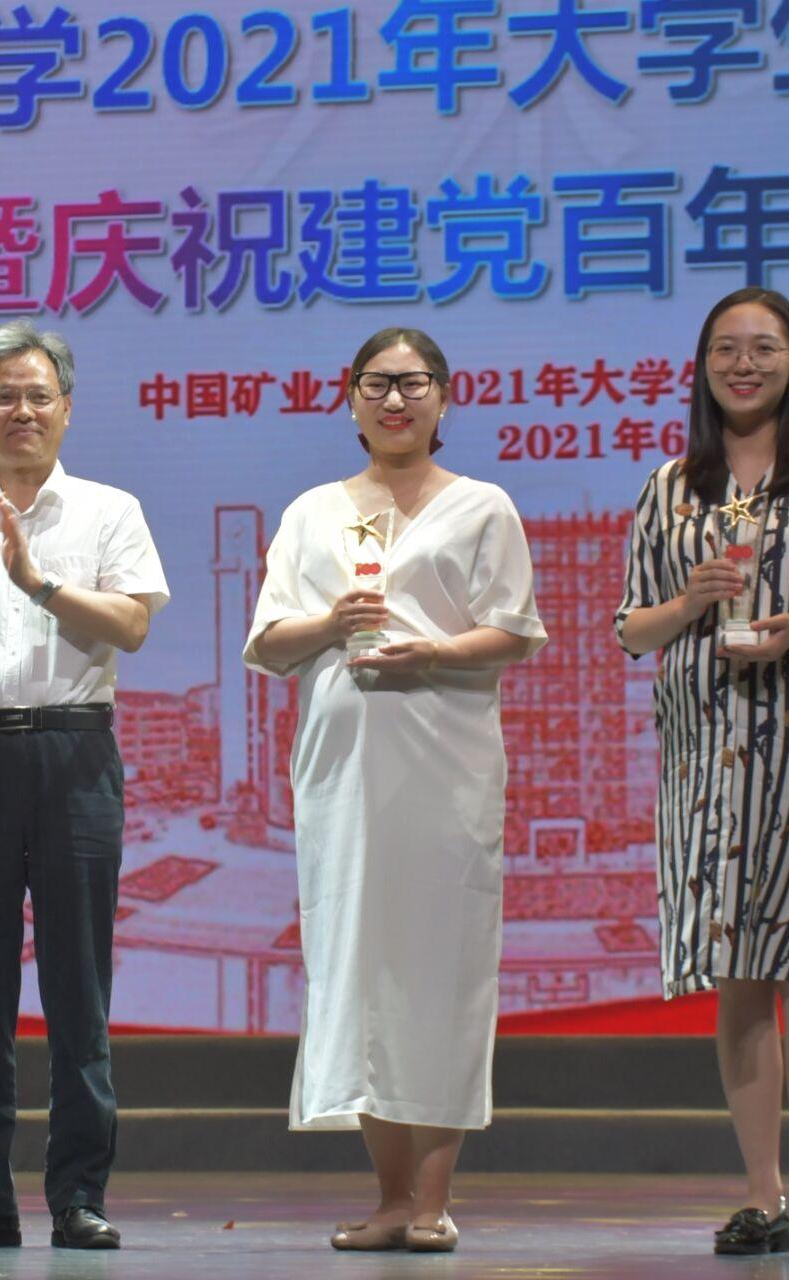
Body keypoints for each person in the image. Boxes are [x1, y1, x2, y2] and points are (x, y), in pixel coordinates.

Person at [243, 327, 547, 1254]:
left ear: (445, 398)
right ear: (350, 400)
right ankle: (387, 1196)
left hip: (446, 767)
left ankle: (432, 1201)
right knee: (361, 973)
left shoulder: (484, 506)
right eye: (376, 383)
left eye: (414, 383)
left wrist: (437, 653)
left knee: (442, 971)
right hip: (342, 773)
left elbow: (514, 630)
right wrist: (333, 623)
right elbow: (269, 642)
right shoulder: (312, 513)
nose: (395, 400)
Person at [614, 287, 789, 1260]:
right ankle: (762, 1193)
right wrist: (693, 599)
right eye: (726, 348)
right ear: (702, 367)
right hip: (704, 760)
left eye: (763, 348)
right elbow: (631, 628)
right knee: (736, 974)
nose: (744, 363)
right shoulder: (668, 487)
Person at [0, 319, 168, 1252]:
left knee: (79, 993)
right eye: (2, 395)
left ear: (66, 409)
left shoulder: (110, 510)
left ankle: (80, 1196)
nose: (22, 410)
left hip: (73, 753)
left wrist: (38, 583)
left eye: (38, 395)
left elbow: (131, 626)